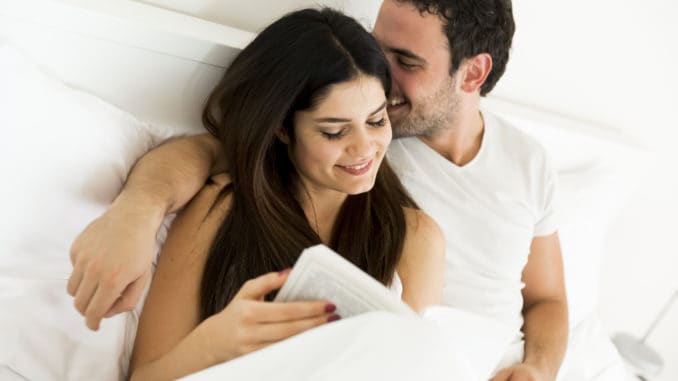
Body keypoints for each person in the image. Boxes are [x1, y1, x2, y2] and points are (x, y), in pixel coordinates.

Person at [69, 1, 568, 380]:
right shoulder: (226, 205)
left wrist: (538, 369)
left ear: (473, 73)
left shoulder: (438, 214)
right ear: (285, 129)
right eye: (333, 131)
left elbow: (546, 300)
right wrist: (136, 213)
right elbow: (207, 152)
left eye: (406, 61)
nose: (386, 80)